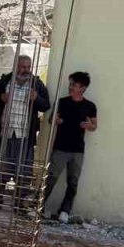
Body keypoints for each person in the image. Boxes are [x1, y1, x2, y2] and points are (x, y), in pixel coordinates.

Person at [0, 54, 49, 199]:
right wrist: (1, 98)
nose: (26, 70)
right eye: (22, 67)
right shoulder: (5, 81)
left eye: (28, 67)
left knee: (23, 171)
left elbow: (46, 105)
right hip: (5, 134)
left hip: (24, 135)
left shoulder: (36, 84)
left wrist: (37, 98)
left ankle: (19, 203)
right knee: (0, 169)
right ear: (15, 66)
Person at [46, 72, 98, 224]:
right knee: (50, 178)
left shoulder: (90, 106)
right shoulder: (61, 102)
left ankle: (65, 211)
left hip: (77, 150)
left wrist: (90, 126)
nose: (70, 87)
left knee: (73, 182)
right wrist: (56, 120)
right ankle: (38, 207)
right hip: (60, 148)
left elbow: (95, 125)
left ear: (83, 88)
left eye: (74, 85)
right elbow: (51, 120)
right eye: (70, 84)